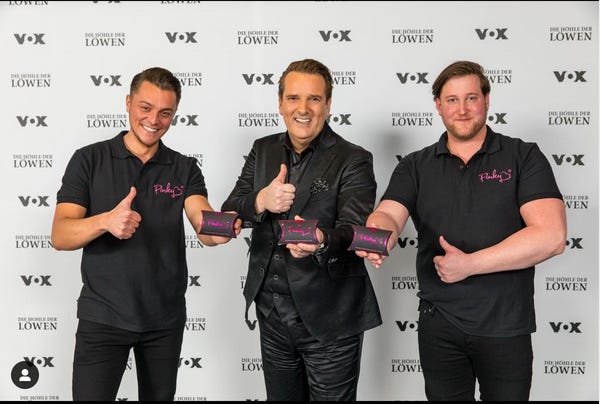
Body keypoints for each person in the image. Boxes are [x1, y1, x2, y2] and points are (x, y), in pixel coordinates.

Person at [356, 60, 567, 401]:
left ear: (486, 100)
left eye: (471, 98)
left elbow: (551, 236)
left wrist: (470, 264)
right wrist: (377, 238)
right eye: (452, 100)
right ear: (438, 106)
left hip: (505, 325)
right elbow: (388, 215)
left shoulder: (523, 156)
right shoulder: (415, 165)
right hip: (440, 324)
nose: (463, 109)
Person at [51, 66, 240, 401]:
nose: (154, 120)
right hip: (103, 316)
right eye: (145, 107)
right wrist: (105, 221)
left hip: (164, 320)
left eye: (165, 112)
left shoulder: (184, 167)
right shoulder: (89, 159)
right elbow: (60, 235)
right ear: (128, 103)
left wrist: (225, 226)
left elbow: (203, 223)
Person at [221, 58, 382, 401]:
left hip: (331, 318)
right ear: (281, 104)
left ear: (328, 105)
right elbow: (230, 211)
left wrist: (321, 240)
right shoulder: (262, 149)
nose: (303, 109)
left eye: (314, 99)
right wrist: (261, 200)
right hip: (272, 316)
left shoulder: (353, 158)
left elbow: (354, 229)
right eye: (293, 98)